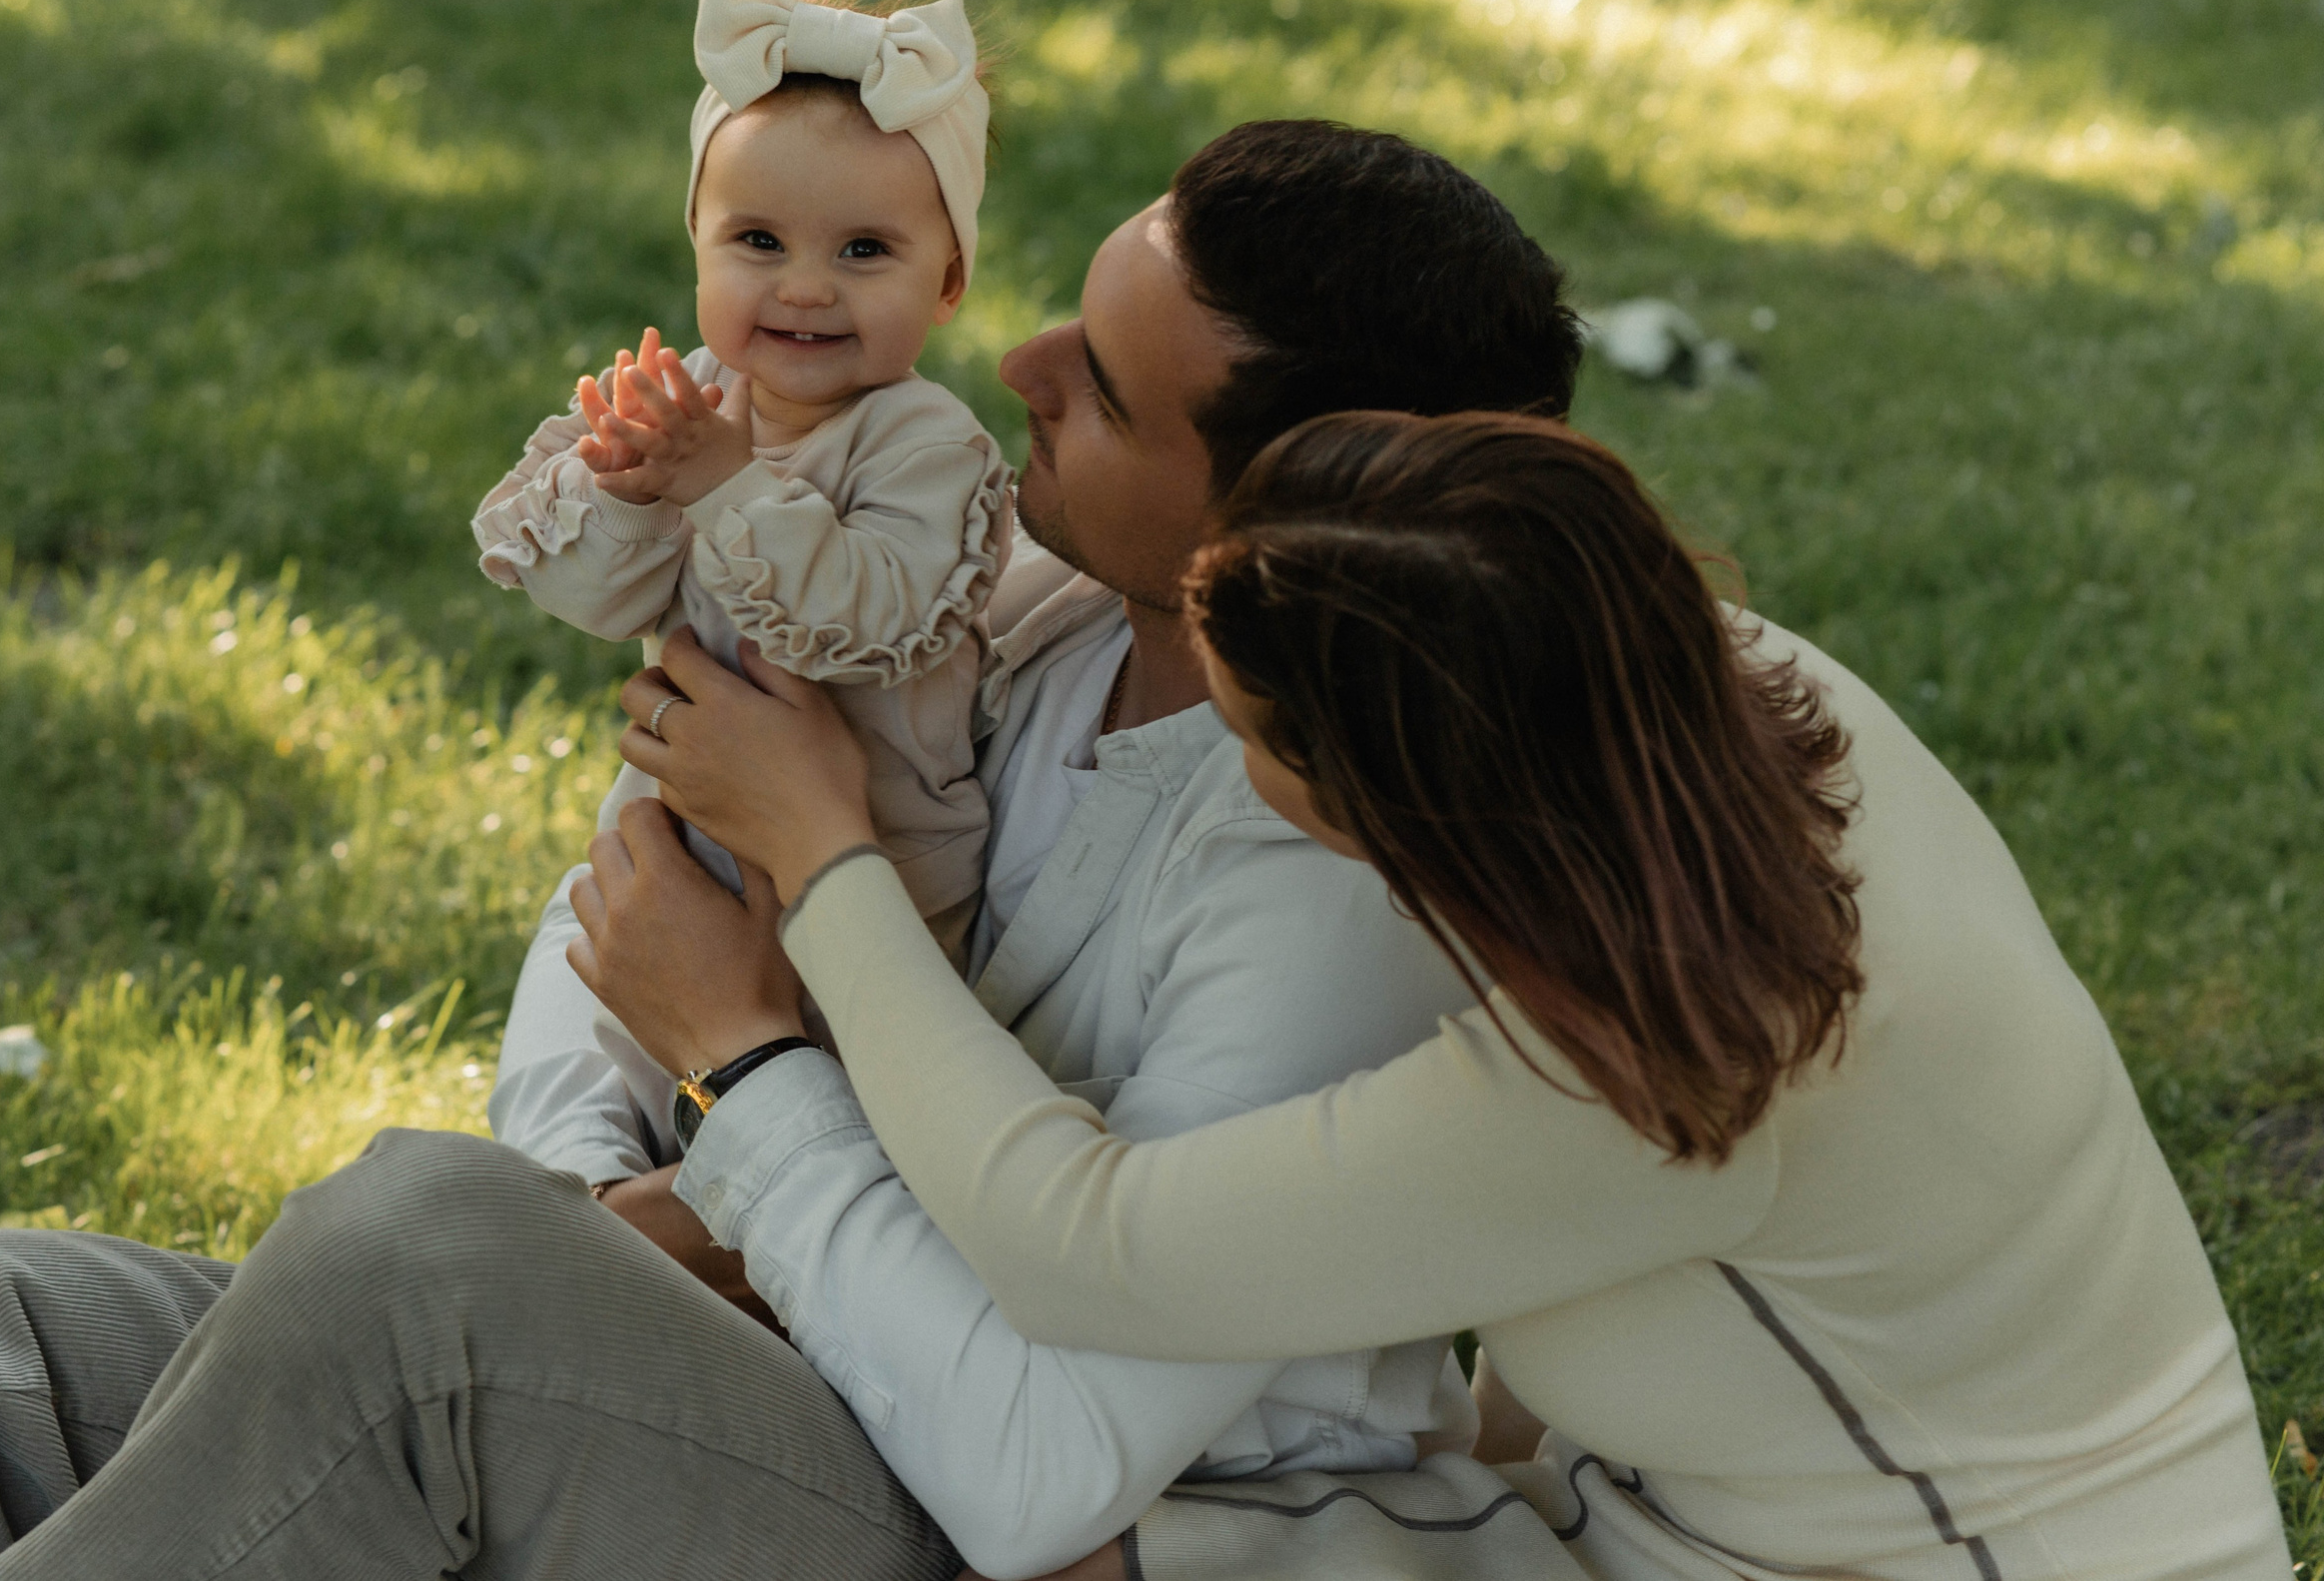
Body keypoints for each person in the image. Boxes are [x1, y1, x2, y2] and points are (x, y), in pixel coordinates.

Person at [0, 119, 1585, 1580]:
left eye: (1104, 385)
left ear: (1299, 492)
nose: (1017, 359)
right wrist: (590, 1205)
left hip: (1023, 1523)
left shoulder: (1332, 878)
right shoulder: (997, 590)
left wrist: (740, 1077)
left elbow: (1043, 1476)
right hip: (760, 1346)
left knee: (425, 1262)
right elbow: (634, 880)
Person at [597, 409, 2293, 1579]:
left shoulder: (1654, 1064)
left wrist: (813, 889)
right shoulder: (1694, 700)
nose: (1213, 753)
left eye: (1247, 738)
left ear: (1393, 801)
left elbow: (1082, 1237)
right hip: (1671, 1524)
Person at [473, 0, 1010, 946]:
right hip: (682, 837)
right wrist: (626, 498)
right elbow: (597, 602)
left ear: (946, 284)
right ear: (697, 249)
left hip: (881, 879)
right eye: (757, 241)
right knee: (640, 1058)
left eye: (864, 250)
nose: (805, 286)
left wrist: (722, 483)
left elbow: (871, 626)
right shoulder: (694, 400)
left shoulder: (928, 447)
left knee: (827, 1084)